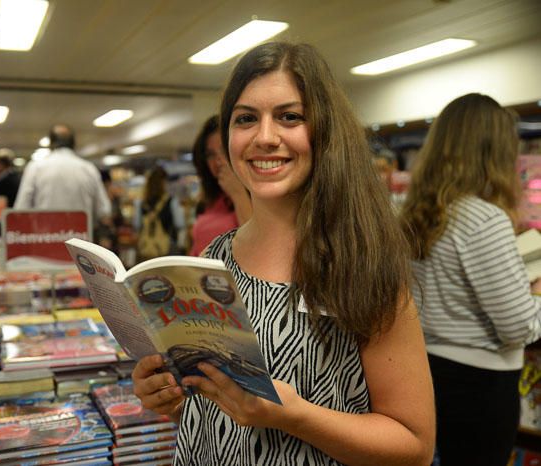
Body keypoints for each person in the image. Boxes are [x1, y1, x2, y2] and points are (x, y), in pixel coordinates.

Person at [132, 42, 435, 465]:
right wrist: (171, 395)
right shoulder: (214, 259)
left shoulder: (363, 263)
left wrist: (296, 417)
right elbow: (216, 411)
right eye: (246, 119)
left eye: (289, 117)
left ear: (324, 130)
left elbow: (415, 447)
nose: (265, 137)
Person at [400, 93, 541, 466]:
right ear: (495, 150)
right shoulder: (484, 219)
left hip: (430, 373)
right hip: (481, 387)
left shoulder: (421, 212)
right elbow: (518, 327)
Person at [14, 124, 111, 232]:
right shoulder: (89, 169)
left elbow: (21, 209)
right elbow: (104, 211)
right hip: (81, 241)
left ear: (51, 143)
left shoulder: (36, 167)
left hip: (45, 240)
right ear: (73, 143)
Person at [189, 115, 252, 256]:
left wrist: (237, 192)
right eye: (210, 154)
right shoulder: (212, 200)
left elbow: (259, 242)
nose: (218, 160)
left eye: (224, 150)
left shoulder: (258, 196)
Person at [134, 166, 185, 262]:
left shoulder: (141, 203)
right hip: (167, 250)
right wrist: (181, 246)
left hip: (145, 249)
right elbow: (180, 224)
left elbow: (136, 225)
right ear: (163, 182)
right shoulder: (172, 201)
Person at [0, 148, 21, 235]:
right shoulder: (18, 178)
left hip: (5, 224)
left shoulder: (1, 182)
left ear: (0, 164)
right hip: (15, 221)